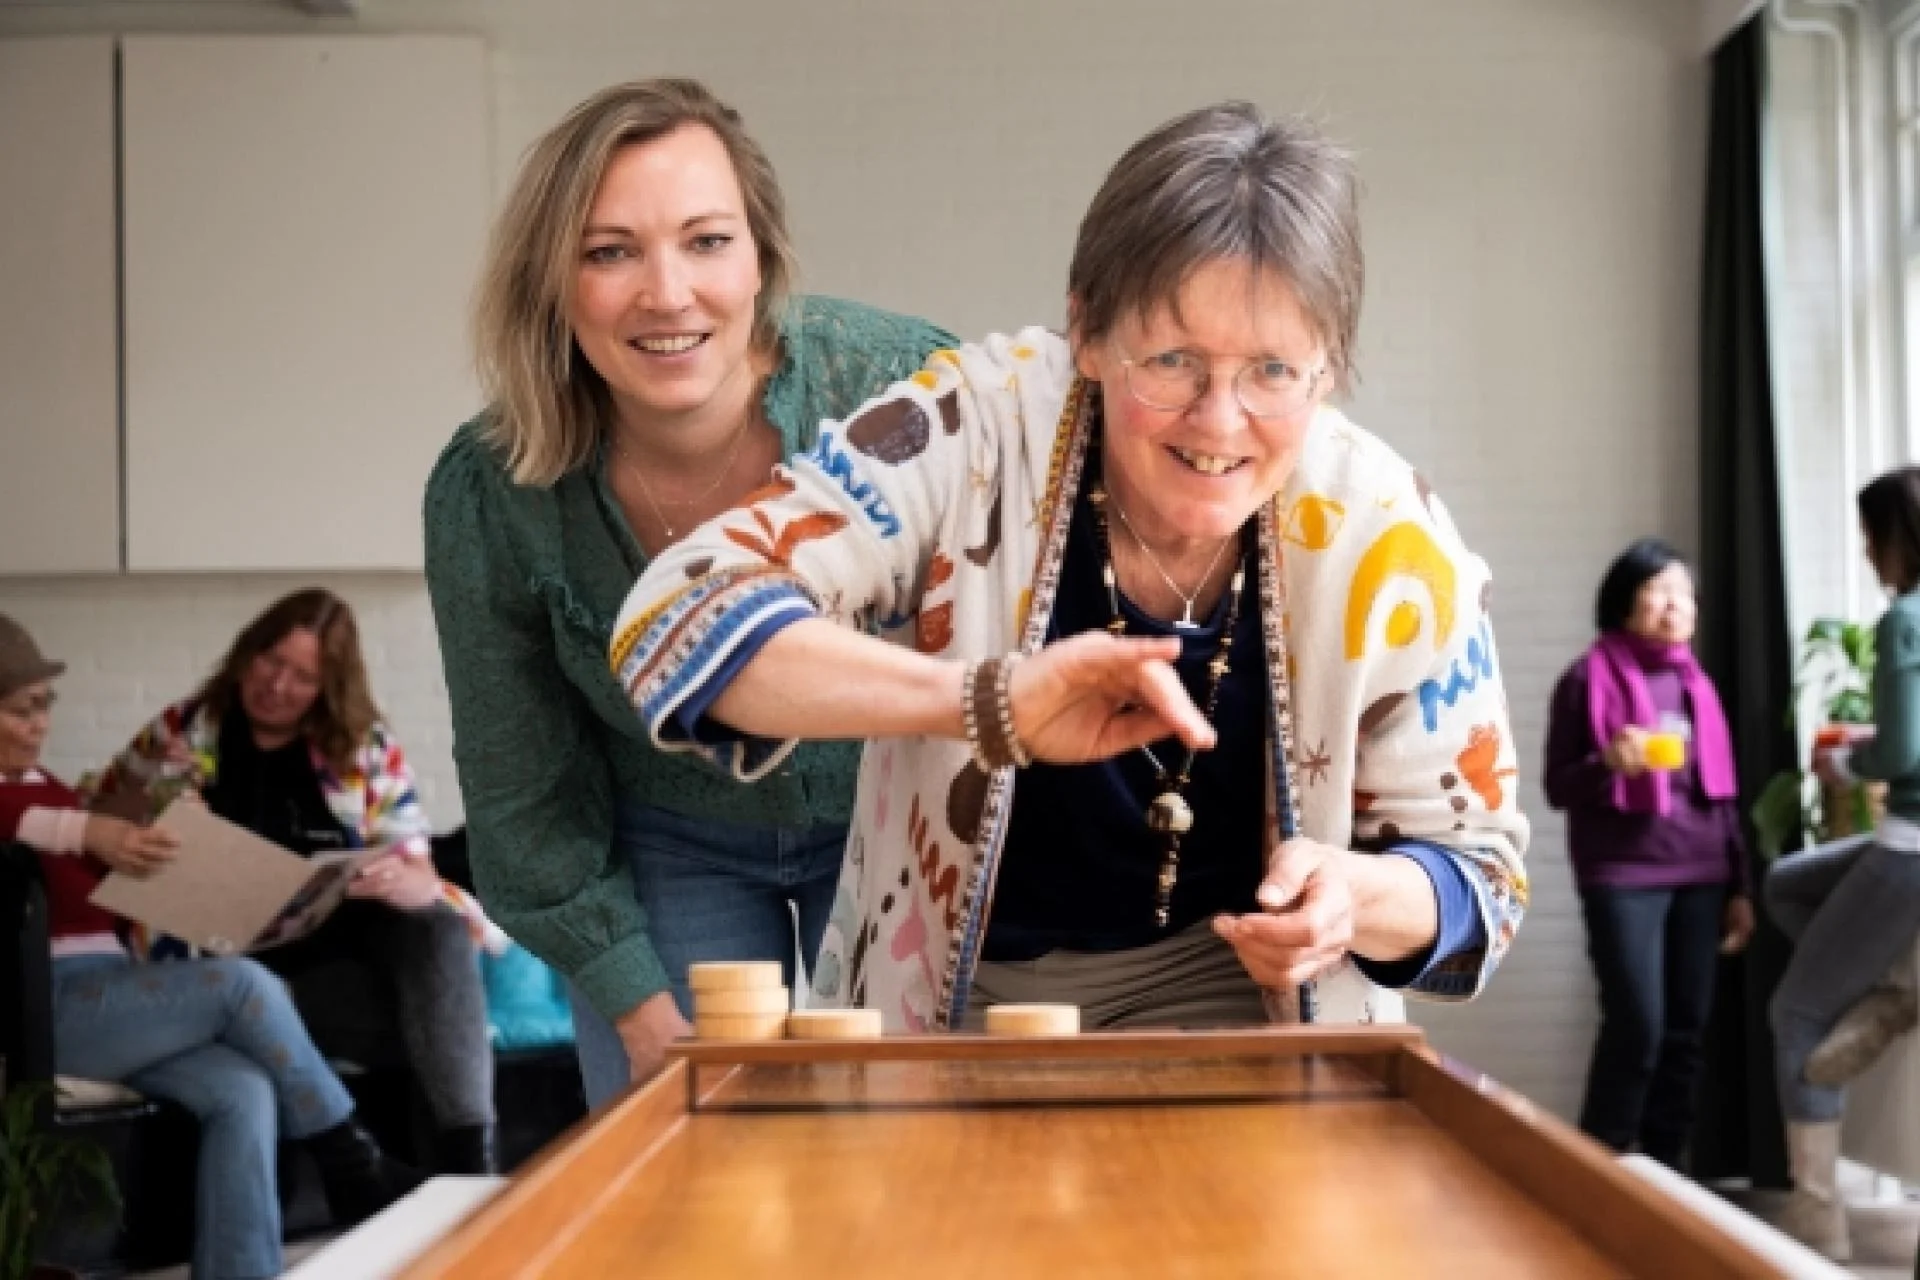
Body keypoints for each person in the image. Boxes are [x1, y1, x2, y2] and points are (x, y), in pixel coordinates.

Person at [608, 101, 1530, 1033]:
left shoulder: (1384, 531)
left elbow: (1483, 880)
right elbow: (678, 618)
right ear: (1086, 331)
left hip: (1244, 1004)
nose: (1219, 421)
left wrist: (1353, 897)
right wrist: (988, 705)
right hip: (954, 1001)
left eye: (1273, 372)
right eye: (1171, 360)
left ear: (1327, 369)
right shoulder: (974, 426)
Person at [424, 78, 956, 1105]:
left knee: (924, 1153)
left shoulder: (898, 388)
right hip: (670, 835)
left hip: (894, 809)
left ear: (763, 258)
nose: (666, 294)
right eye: (609, 250)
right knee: (689, 1158)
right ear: (553, 281)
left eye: (707, 240)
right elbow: (521, 785)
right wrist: (634, 1002)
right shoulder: (492, 491)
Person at [0, 613, 420, 1280]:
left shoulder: (43, 785)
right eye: (22, 710)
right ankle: (348, 1159)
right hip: (44, 1013)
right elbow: (35, 827)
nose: (40, 723)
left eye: (43, 705)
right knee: (241, 983)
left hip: (113, 996)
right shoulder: (30, 806)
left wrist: (153, 814)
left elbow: (93, 835)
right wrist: (87, 831)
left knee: (243, 1090)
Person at [86, 588, 501, 1174]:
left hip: (335, 953)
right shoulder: (185, 728)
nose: (277, 686)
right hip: (229, 960)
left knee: (436, 927)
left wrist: (409, 879)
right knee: (406, 1021)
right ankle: (372, 1170)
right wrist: (156, 798)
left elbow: (416, 859)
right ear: (245, 654)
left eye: (303, 676)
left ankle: (471, 1161)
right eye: (269, 662)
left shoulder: (364, 746)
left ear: (329, 686)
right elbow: (98, 824)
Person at [1542, 538, 1754, 1168]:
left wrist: (1740, 885)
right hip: (1622, 875)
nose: (1676, 606)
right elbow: (1559, 787)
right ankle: (1601, 1171)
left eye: (1684, 594)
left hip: (1703, 870)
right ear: (1624, 601)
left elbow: (1722, 796)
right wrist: (1608, 762)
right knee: (1638, 1025)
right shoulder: (1586, 678)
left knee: (1685, 1034)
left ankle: (1669, 1173)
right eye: (1660, 591)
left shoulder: (1697, 682)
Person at [1767, 466, 1920, 1260]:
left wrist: (1848, 768)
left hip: (1909, 850)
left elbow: (1903, 753)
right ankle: (1890, 990)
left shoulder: (1906, 621)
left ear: (1898, 535)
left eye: (1871, 536)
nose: (1866, 553)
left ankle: (1818, 1220)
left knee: (1796, 1016)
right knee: (1787, 882)